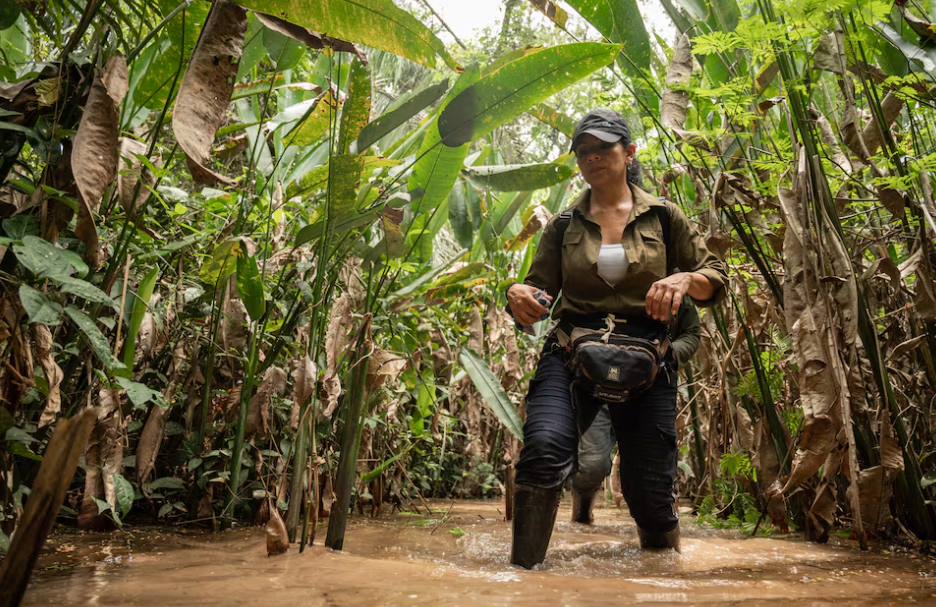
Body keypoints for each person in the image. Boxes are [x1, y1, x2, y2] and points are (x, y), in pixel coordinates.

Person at [505, 108, 727, 569]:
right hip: (570, 353)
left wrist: (685, 279)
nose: (591, 158)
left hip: (648, 358)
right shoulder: (563, 225)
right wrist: (517, 295)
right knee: (543, 452)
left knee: (649, 493)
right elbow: (537, 292)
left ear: (628, 153)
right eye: (582, 151)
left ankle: (664, 577)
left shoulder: (665, 217)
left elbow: (716, 280)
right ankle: (522, 580)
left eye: (602, 148)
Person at [571, 299, 701, 525]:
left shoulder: (671, 280)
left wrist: (662, 358)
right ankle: (582, 512)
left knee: (648, 477)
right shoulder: (592, 273)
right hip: (596, 385)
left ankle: (654, 539)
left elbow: (690, 332)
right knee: (592, 464)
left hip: (647, 390)